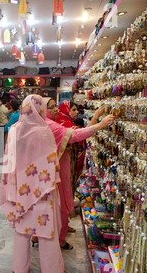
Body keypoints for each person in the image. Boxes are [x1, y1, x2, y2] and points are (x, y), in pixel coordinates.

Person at [0, 94, 65, 273]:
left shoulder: (13, 130)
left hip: (20, 189)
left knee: (22, 231)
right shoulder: (44, 131)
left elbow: (9, 159)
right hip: (42, 190)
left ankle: (20, 270)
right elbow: (50, 163)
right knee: (47, 233)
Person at [45, 97, 114, 250]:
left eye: (56, 106)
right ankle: (58, 238)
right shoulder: (55, 125)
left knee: (55, 203)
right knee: (60, 201)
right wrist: (99, 123)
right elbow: (76, 136)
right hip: (57, 171)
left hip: (54, 170)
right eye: (52, 107)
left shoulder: (48, 124)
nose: (56, 109)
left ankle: (52, 232)